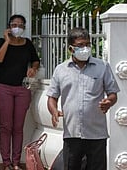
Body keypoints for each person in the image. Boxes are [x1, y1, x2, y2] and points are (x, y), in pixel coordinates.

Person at [46, 27, 119, 170]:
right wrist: (54, 112)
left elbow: (113, 93)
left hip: (96, 134)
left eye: (87, 44)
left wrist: (109, 102)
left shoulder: (102, 67)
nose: (85, 48)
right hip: (72, 133)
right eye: (80, 45)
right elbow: (52, 97)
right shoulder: (61, 69)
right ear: (71, 49)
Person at [0, 15, 40, 170]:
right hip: (3, 87)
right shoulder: (0, 42)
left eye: (20, 25)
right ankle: (6, 162)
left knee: (18, 126)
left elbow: (35, 59)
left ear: (24, 27)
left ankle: (16, 161)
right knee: (6, 126)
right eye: (14, 25)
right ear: (9, 27)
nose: (16, 27)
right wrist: (7, 40)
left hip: (22, 88)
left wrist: (33, 68)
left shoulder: (28, 44)